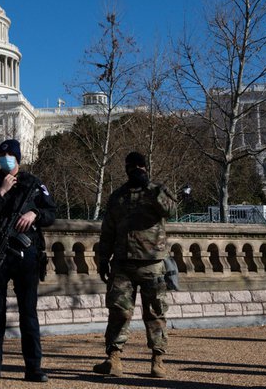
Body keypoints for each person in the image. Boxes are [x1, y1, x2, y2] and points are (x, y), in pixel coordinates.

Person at [0, 139, 56, 383]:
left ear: (18, 157)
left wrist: (35, 214)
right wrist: (1, 192)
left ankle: (33, 367)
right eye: (2, 154)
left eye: (10, 154)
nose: (6, 157)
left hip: (26, 257)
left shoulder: (34, 184)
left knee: (28, 313)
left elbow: (51, 213)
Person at [93, 151, 176, 379]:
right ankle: (114, 358)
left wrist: (149, 187)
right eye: (132, 166)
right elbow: (108, 230)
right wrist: (103, 259)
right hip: (122, 265)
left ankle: (157, 360)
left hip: (152, 264)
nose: (136, 170)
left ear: (145, 167)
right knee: (119, 313)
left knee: (155, 314)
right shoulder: (118, 196)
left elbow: (170, 210)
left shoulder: (157, 191)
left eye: (140, 166)